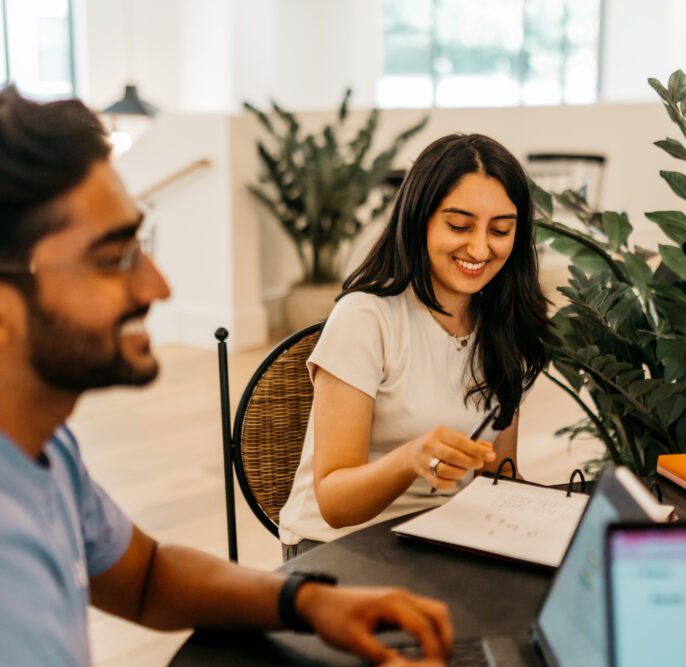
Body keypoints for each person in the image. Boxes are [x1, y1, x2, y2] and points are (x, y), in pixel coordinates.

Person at [0, 86, 452, 666]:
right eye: (114, 258)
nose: (157, 287)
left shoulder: (46, 450)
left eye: (142, 245)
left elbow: (146, 577)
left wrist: (310, 602)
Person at [278, 133, 553, 553]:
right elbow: (334, 503)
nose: (480, 248)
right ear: (419, 219)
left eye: (500, 230)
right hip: (341, 547)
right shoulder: (366, 318)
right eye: (459, 225)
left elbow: (498, 476)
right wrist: (410, 459)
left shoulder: (503, 323)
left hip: (443, 537)